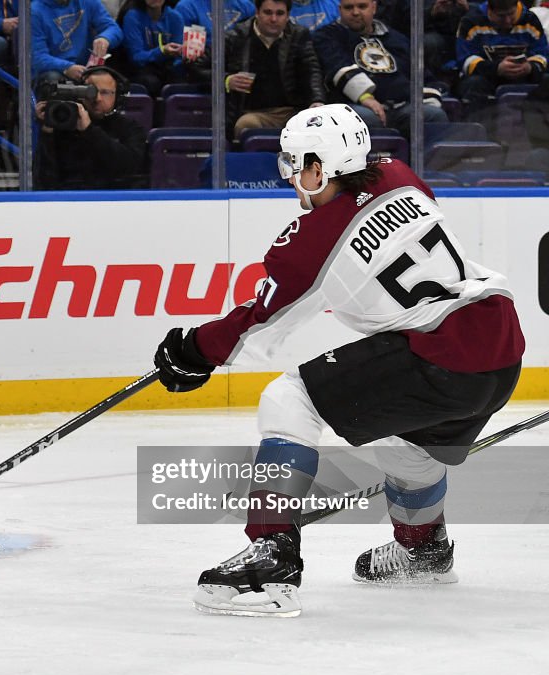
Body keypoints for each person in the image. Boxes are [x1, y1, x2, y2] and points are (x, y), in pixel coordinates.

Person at [153, 103, 524, 617]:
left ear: (319, 167)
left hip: (437, 355)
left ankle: (270, 562)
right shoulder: (400, 176)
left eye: (294, 162)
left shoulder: (310, 242)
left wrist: (193, 350)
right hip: (500, 348)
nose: (288, 174)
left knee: (289, 399)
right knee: (408, 441)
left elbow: (257, 325)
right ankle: (423, 549)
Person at [311, 0, 447, 138]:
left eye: (362, 6)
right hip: (356, 106)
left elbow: (421, 74)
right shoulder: (327, 35)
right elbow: (337, 65)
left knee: (433, 115)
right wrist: (365, 97)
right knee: (362, 118)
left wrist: (427, 100)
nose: (355, 12)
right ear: (340, 10)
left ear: (374, 7)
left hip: (402, 107)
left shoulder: (396, 38)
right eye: (348, 7)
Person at [223, 0, 325, 141]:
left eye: (280, 13)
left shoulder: (299, 35)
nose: (273, 19)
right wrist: (227, 80)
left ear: (288, 15)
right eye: (268, 12)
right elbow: (200, 67)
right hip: (252, 113)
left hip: (292, 112)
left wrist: (317, 101)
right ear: (257, 13)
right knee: (246, 124)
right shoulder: (236, 36)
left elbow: (311, 71)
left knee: (321, 127)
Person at [35, 65, 147, 189]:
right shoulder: (63, 125)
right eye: (90, 90)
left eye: (105, 92)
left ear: (118, 96)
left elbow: (127, 166)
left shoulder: (130, 128)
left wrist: (89, 130)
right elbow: (43, 179)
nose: (97, 98)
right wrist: (47, 132)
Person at [456, 0, 549, 114]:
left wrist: (531, 67)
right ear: (490, 10)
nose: (508, 21)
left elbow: (542, 54)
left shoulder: (530, 19)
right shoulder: (471, 20)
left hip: (524, 74)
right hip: (487, 77)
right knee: (473, 83)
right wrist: (497, 68)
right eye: (501, 16)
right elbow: (465, 60)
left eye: (511, 14)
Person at [31, 0, 123, 85]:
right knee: (53, 79)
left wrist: (105, 38)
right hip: (56, 71)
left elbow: (113, 29)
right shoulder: (35, 12)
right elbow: (37, 57)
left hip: (88, 69)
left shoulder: (88, 2)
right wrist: (67, 68)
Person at [116, 0, 187, 98]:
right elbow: (136, 57)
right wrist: (161, 51)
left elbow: (178, 56)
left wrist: (185, 55)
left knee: (181, 83)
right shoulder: (132, 16)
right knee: (151, 82)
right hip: (139, 70)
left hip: (167, 69)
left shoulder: (175, 17)